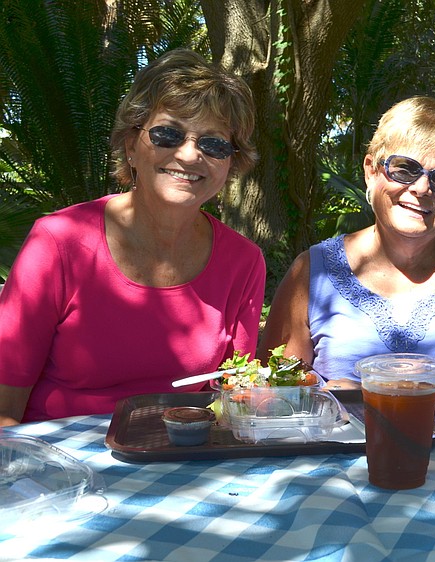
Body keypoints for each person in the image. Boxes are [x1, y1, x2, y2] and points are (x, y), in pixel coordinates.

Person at [0, 50, 266, 425]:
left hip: (183, 458)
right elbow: (3, 406)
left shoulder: (243, 261)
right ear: (130, 146)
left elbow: (234, 397)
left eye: (214, 144)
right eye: (168, 134)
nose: (189, 155)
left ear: (230, 163)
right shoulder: (59, 242)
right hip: (60, 463)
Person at [260, 96, 435, 407]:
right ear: (370, 171)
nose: (421, 188)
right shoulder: (312, 272)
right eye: (404, 169)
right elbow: (274, 403)